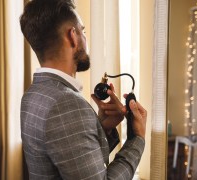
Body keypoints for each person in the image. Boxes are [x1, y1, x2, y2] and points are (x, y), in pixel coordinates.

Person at [20, 0, 147, 179]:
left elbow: (68, 158)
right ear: (73, 36)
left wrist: (102, 128)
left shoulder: (33, 94)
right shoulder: (67, 104)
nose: (85, 38)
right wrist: (137, 139)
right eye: (83, 31)